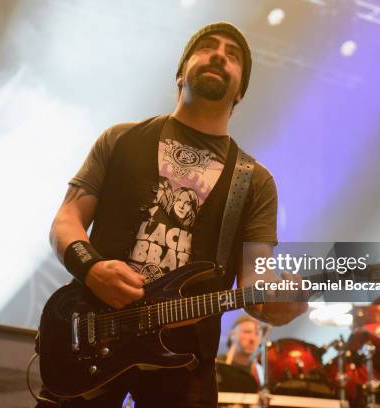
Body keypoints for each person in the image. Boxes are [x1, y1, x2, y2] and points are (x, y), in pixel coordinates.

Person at [39, 21, 307, 408]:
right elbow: (66, 219)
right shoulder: (121, 139)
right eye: (208, 47)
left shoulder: (255, 181)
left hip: (184, 360)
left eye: (233, 56)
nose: (220, 55)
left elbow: (257, 279)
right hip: (94, 335)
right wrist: (91, 269)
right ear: (181, 72)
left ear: (240, 92)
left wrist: (279, 303)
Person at [217, 315, 266, 386]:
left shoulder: (261, 372)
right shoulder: (216, 366)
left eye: (257, 334)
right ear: (232, 334)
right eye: (247, 332)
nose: (253, 339)